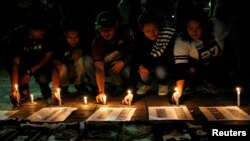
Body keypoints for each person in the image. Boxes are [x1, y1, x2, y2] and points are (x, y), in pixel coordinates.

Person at [171, 11, 224, 104]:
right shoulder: (181, 41)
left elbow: (233, 42)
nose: (194, 32)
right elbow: (181, 68)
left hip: (219, 62)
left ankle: (210, 82)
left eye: (198, 28)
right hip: (197, 65)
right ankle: (195, 84)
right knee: (189, 70)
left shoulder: (217, 27)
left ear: (204, 27)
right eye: (190, 28)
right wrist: (179, 92)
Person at [8, 12, 57, 107]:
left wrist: (29, 72)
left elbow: (47, 57)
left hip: (41, 62)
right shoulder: (18, 35)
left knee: (43, 78)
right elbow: (15, 64)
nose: (35, 40)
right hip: (23, 62)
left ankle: (45, 90)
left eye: (39, 37)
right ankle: (22, 93)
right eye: (32, 37)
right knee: (19, 85)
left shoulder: (50, 33)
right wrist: (14, 88)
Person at [85, 11, 133, 104]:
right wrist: (101, 91)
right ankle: (101, 87)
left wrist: (123, 62)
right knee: (87, 60)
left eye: (109, 29)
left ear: (115, 26)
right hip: (106, 67)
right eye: (102, 30)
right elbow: (99, 68)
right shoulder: (97, 43)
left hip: (123, 65)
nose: (106, 33)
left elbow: (135, 53)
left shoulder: (125, 33)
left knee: (128, 71)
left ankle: (124, 86)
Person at [128, 12, 176, 97]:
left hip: (161, 67)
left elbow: (169, 59)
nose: (152, 33)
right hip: (147, 68)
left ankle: (163, 84)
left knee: (160, 70)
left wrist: (151, 68)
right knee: (140, 72)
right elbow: (135, 59)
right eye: (148, 31)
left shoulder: (166, 37)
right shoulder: (139, 40)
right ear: (142, 29)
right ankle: (147, 84)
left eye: (155, 30)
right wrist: (130, 92)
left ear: (159, 27)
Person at [52, 21, 86, 96]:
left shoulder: (83, 42)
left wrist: (80, 53)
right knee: (61, 67)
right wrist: (55, 90)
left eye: (76, 38)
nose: (73, 41)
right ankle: (63, 87)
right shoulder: (59, 43)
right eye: (70, 38)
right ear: (65, 36)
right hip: (66, 71)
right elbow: (55, 65)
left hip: (78, 70)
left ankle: (79, 85)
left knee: (83, 60)